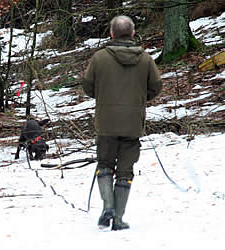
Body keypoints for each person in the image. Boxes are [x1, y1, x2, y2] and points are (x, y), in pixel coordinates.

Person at [82, 15, 162, 230]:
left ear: (111, 33)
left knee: (105, 165)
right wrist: (138, 99)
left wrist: (104, 95)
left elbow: (87, 87)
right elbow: (155, 87)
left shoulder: (99, 58)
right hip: (133, 124)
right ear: (133, 33)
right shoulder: (145, 59)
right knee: (125, 172)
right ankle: (117, 219)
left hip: (106, 122)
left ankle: (107, 206)